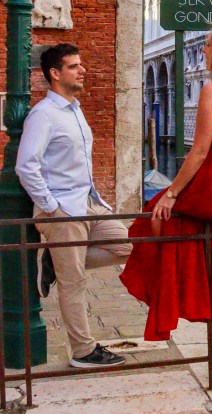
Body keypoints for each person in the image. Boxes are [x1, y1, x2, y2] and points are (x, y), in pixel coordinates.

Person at [121, 24, 212, 352]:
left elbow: (200, 151)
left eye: (207, 45)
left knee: (154, 218)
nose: (203, 50)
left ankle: (166, 298)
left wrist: (171, 193)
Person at [16, 43, 132, 369]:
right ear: (55, 74)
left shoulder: (75, 109)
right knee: (75, 282)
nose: (82, 70)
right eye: (74, 66)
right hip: (61, 210)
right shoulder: (43, 115)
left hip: (88, 204)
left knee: (125, 244)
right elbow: (26, 166)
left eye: (80, 65)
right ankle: (83, 351)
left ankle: (54, 258)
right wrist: (51, 207)